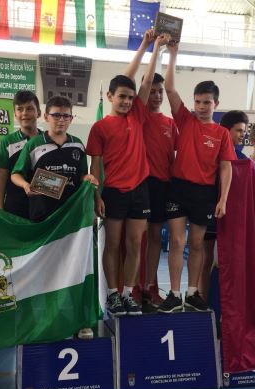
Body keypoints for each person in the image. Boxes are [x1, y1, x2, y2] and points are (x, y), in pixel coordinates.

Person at [87, 32, 168, 317]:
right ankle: (112, 294)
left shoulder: (137, 115)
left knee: (135, 243)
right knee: (113, 243)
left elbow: (145, 80)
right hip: (112, 193)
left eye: (131, 98)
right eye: (121, 96)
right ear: (110, 96)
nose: (126, 101)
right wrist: (96, 195)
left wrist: (154, 46)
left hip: (140, 190)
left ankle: (128, 293)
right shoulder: (100, 128)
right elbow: (95, 166)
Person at [11, 95, 98, 339]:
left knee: (76, 270)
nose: (61, 120)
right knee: (45, 271)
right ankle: (44, 322)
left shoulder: (78, 146)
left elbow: (81, 175)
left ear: (71, 118)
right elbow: (15, 174)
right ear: (45, 116)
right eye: (56, 115)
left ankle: (81, 321)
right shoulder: (34, 144)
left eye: (66, 115)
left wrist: (87, 178)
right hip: (44, 220)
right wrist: (26, 185)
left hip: (73, 221)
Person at [159, 40, 236, 313]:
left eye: (207, 102)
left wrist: (223, 199)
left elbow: (225, 167)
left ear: (216, 103)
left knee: (196, 244)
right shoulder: (185, 120)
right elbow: (169, 88)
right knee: (177, 241)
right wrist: (173, 53)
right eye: (198, 101)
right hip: (178, 188)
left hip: (204, 193)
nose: (201, 106)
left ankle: (192, 292)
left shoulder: (222, 134)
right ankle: (174, 294)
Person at [122, 30, 177, 311]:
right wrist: (153, 47)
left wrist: (172, 52)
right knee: (137, 241)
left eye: (159, 92)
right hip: (141, 184)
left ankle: (151, 286)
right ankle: (132, 288)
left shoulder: (170, 123)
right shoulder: (139, 117)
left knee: (155, 238)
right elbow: (140, 80)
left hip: (163, 187)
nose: (155, 95)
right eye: (152, 91)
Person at [200, 110, 249, 301]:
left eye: (243, 131)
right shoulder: (209, 152)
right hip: (207, 212)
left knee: (230, 263)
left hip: (232, 218)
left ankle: (230, 303)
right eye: (238, 130)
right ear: (225, 131)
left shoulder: (244, 160)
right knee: (205, 260)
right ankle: (201, 301)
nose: (242, 135)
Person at [0, 90, 41, 219]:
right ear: (15, 114)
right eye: (20, 109)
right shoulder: (7, 142)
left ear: (39, 113)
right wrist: (0, 207)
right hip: (15, 207)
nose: (25, 113)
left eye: (30, 109)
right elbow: (2, 177)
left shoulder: (47, 140)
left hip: (43, 206)